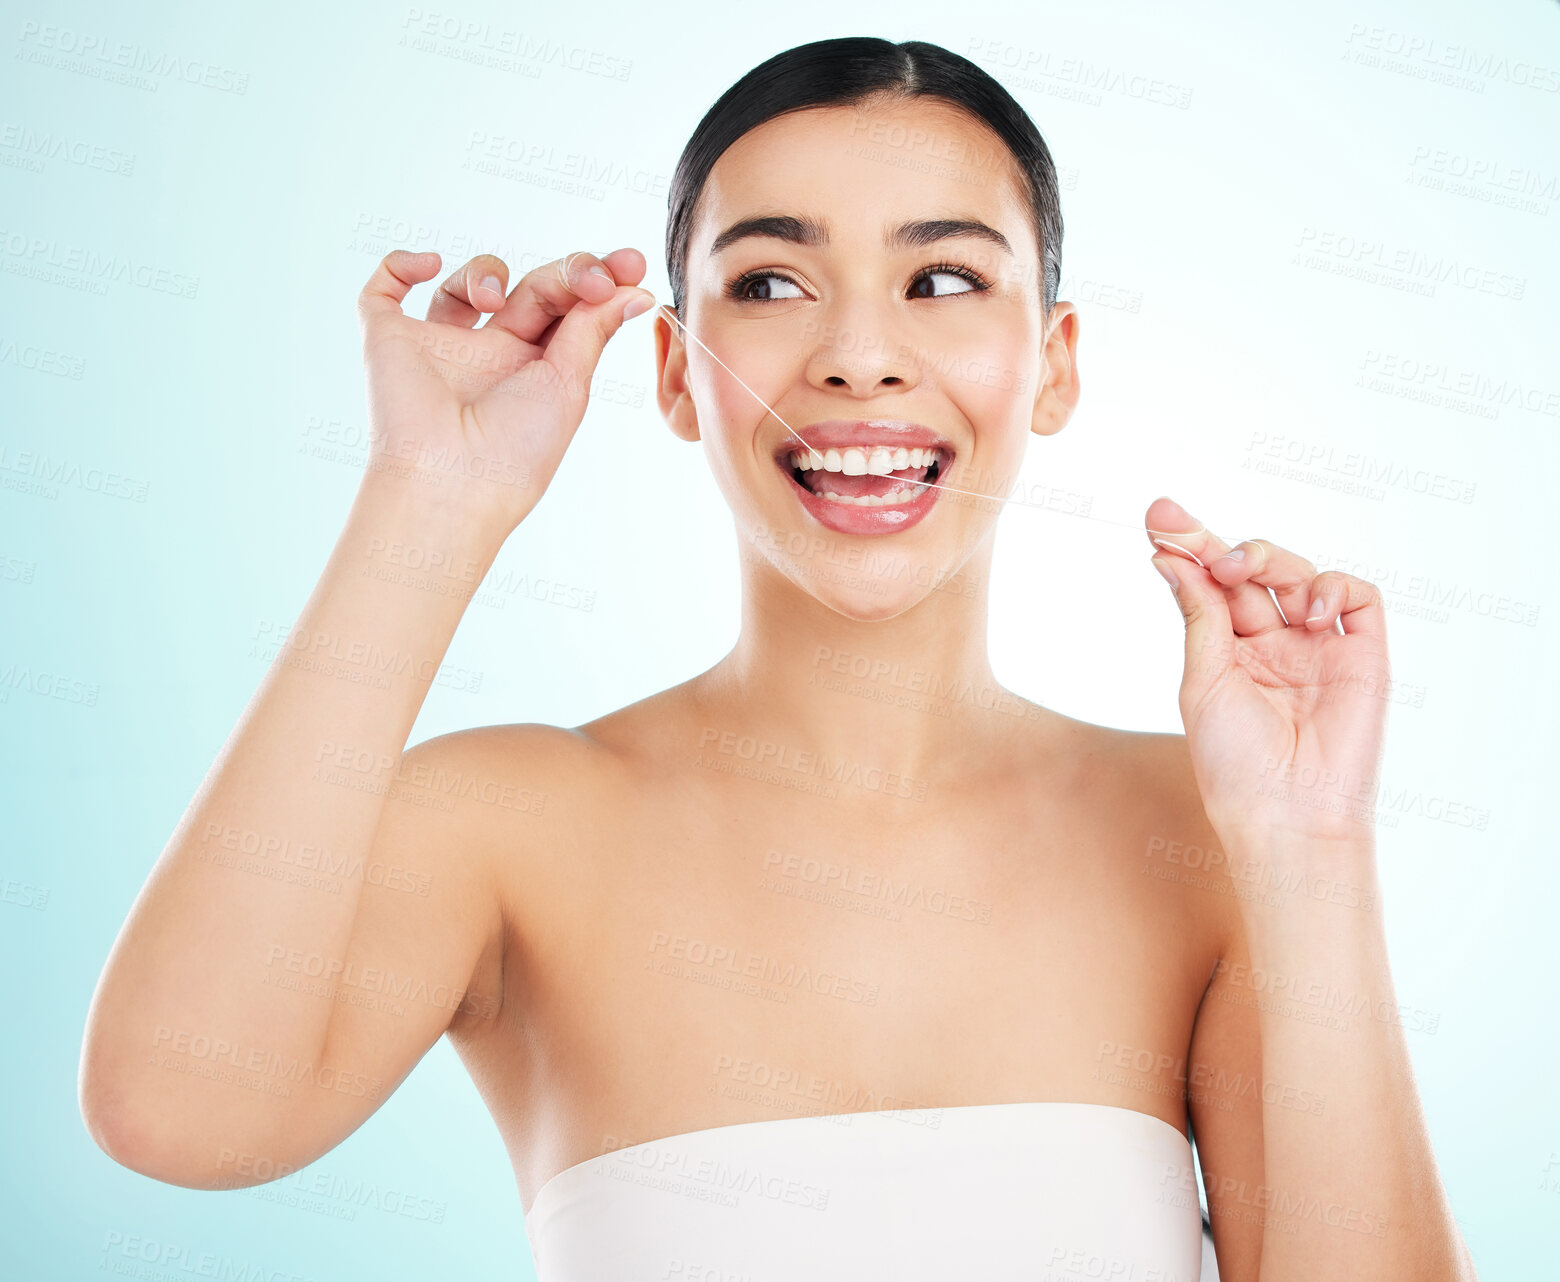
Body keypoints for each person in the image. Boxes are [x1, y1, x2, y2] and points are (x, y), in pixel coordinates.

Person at [79, 36, 1478, 1281]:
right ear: (678, 373)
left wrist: (1309, 845)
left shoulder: (1202, 838)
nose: (861, 354)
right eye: (770, 280)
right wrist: (426, 502)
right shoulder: (511, 825)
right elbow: (183, 1112)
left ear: (1051, 364)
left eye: (941, 278)